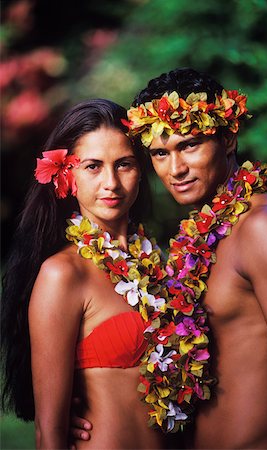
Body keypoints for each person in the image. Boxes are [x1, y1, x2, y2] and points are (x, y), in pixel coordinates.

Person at [71, 68, 267, 449]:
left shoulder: (264, 227)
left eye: (189, 145)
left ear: (227, 138)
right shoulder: (203, 237)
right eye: (160, 153)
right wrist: (87, 406)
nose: (175, 169)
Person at [1, 99, 167, 449]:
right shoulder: (62, 275)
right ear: (66, 175)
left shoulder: (160, 267)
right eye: (93, 166)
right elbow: (49, 434)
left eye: (124, 164)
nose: (111, 182)